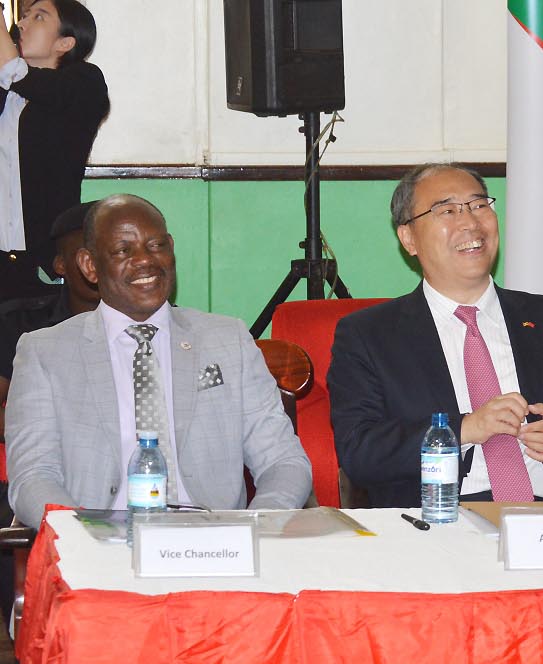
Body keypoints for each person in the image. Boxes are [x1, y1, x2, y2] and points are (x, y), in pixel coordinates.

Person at [5, 194, 312, 527]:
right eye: (123, 251)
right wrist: (80, 535)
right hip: (100, 548)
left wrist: (258, 526)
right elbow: (33, 476)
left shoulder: (228, 340)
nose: (145, 261)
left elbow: (284, 461)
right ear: (89, 265)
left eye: (156, 246)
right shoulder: (45, 352)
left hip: (215, 548)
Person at [328, 163, 543, 507]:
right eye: (447, 210)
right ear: (408, 238)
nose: (470, 222)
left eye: (479, 205)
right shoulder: (368, 335)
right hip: (436, 524)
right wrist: (464, 429)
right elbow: (359, 451)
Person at [0, 0, 109, 302]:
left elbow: (28, 80)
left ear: (65, 42)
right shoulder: (5, 91)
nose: (21, 24)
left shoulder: (84, 83)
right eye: (22, 17)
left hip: (46, 265)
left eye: (38, 17)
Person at [0, 200, 98, 437]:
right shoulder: (20, 324)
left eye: (115, 252)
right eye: (87, 255)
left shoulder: (156, 324)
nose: (97, 265)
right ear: (60, 265)